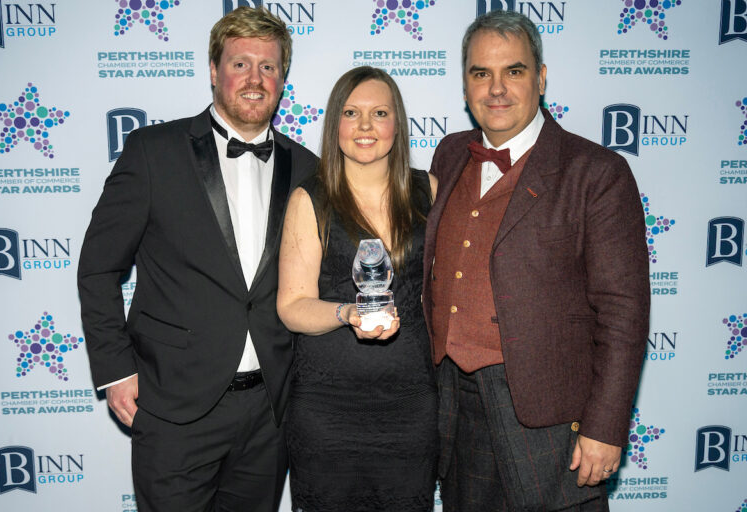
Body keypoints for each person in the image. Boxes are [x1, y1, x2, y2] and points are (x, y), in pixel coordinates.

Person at [77, 7, 317, 512]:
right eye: (240, 64)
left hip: (269, 413)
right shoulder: (152, 152)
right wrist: (116, 371)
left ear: (282, 78)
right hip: (173, 407)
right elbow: (98, 268)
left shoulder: (308, 169)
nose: (255, 79)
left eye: (268, 67)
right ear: (213, 71)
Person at [422, 10, 650, 512]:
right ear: (465, 85)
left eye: (515, 71)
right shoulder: (449, 153)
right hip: (456, 408)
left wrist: (605, 427)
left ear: (541, 78)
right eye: (481, 73)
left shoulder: (596, 172)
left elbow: (623, 313)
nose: (497, 88)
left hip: (551, 422)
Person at [276, 66, 439, 512]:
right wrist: (347, 313)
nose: (365, 126)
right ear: (336, 126)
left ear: (397, 124)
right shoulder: (310, 200)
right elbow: (292, 306)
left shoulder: (431, 191)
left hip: (411, 407)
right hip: (328, 412)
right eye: (352, 112)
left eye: (379, 112)